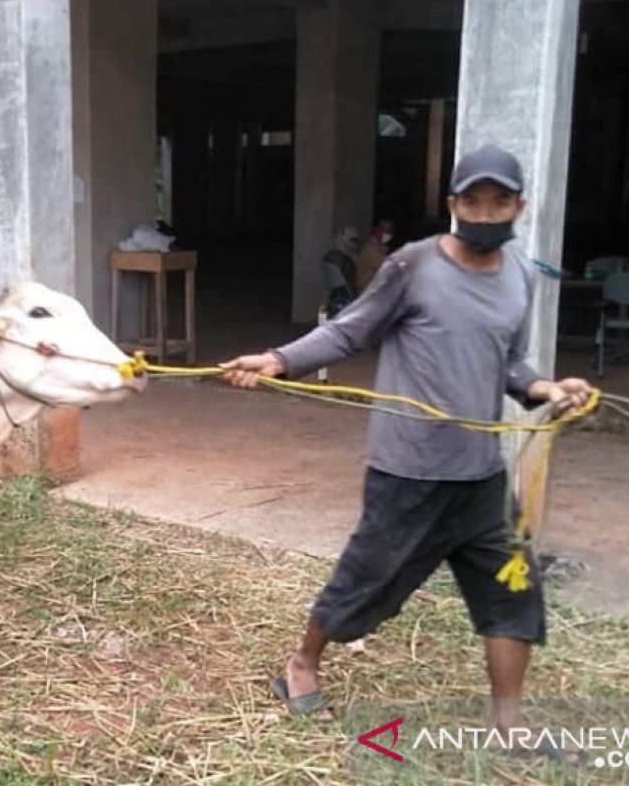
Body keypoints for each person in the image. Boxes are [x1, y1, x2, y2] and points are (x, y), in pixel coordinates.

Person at [220, 144, 592, 752]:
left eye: (499, 201)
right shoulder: (412, 266)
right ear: (453, 205)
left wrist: (546, 386)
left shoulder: (520, 277)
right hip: (409, 471)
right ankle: (301, 666)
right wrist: (278, 360)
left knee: (514, 589)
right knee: (366, 580)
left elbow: (510, 362)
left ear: (518, 206)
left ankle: (509, 726)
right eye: (472, 200)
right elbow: (349, 330)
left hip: (481, 478)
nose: (485, 211)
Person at [354, 218, 394, 294]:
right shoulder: (371, 249)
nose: (387, 233)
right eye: (383, 229)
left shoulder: (379, 248)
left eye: (389, 230)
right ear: (376, 229)